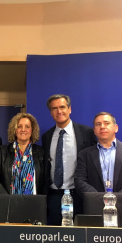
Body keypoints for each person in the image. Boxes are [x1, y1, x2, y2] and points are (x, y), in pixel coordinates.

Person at [42, 94, 96, 225]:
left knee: (81, 238)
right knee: (57, 236)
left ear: (69, 109)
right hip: (54, 196)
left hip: (79, 195)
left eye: (62, 107)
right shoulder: (46, 136)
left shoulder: (87, 132)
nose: (59, 111)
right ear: (51, 112)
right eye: (54, 108)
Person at [75, 112, 122, 195]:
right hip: (94, 204)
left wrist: (119, 197)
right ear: (94, 131)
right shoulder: (84, 154)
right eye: (98, 124)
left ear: (116, 128)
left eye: (106, 123)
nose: (102, 127)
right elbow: (80, 179)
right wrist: (97, 198)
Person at [0, 113, 44, 195]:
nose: (23, 130)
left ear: (32, 130)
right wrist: (7, 198)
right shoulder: (3, 151)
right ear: (14, 130)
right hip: (9, 202)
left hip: (34, 202)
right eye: (19, 126)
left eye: (27, 126)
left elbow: (44, 180)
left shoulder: (41, 152)